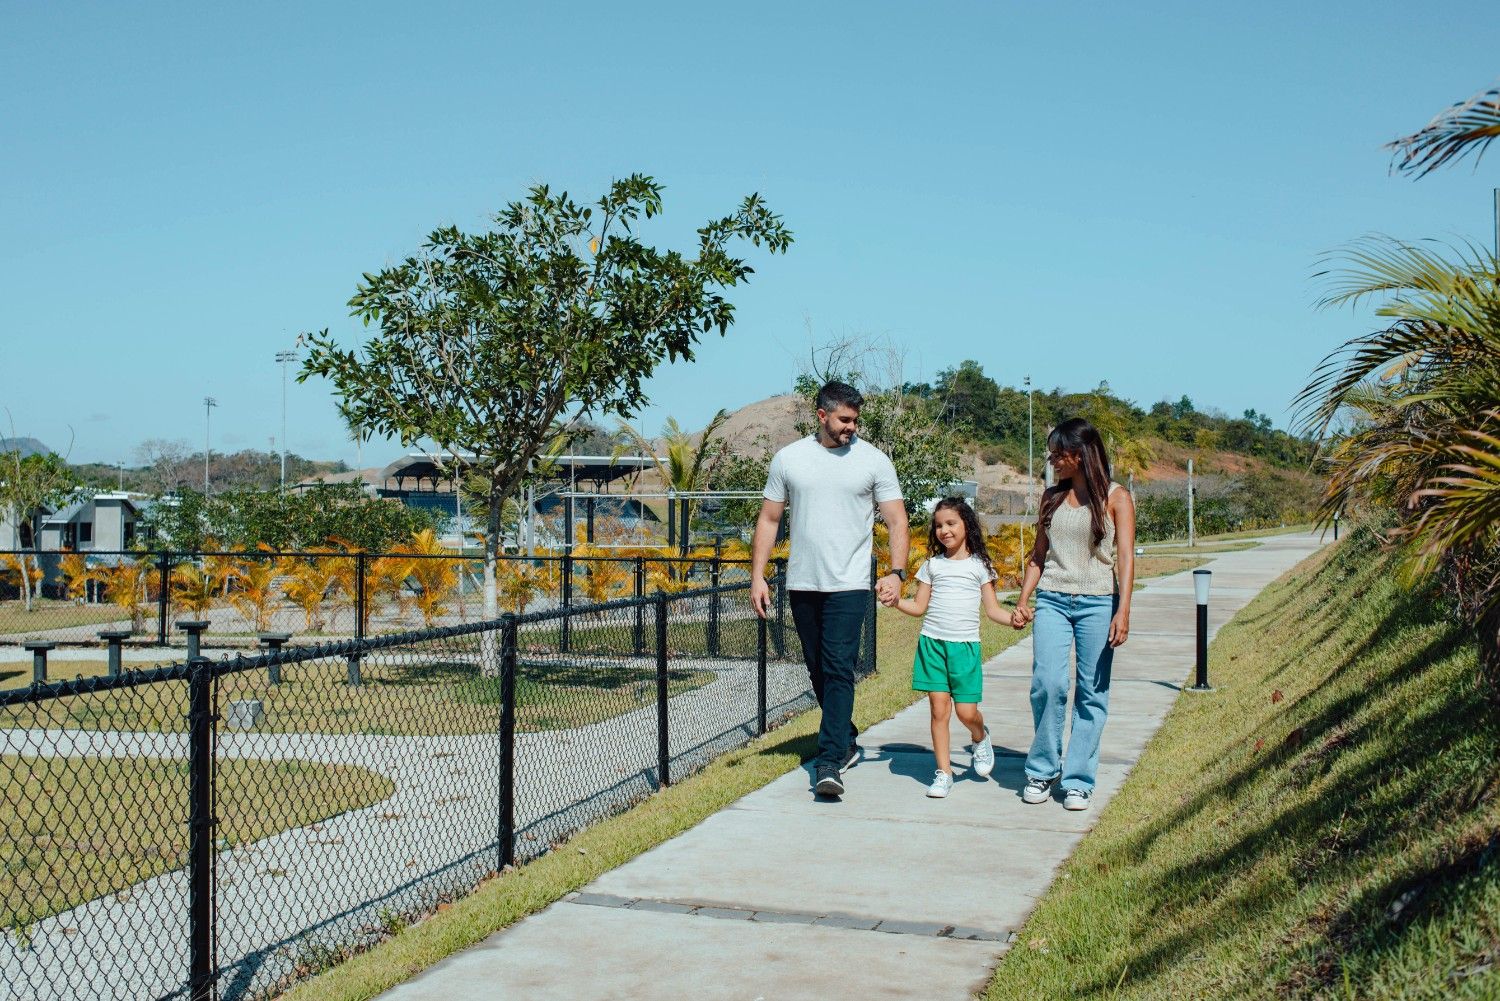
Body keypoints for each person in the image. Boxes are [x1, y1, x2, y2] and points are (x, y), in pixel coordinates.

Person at [750, 381, 909, 798]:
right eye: (844, 419)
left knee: (839, 665)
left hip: (850, 583)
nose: (851, 427)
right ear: (821, 415)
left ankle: (829, 761)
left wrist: (896, 572)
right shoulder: (790, 459)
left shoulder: (874, 460)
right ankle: (847, 736)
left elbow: (897, 520)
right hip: (803, 582)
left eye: (855, 420)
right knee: (818, 667)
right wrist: (758, 575)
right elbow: (769, 519)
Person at [1013, 417, 1136, 812]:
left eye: (1057, 454)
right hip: (1052, 598)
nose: (1052, 461)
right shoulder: (1050, 498)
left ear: (1079, 455)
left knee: (1091, 693)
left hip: (1099, 602)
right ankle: (1043, 769)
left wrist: (1124, 610)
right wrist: (1023, 599)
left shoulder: (1117, 498)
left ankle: (1079, 779)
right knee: (1047, 683)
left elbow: (1126, 559)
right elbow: (1038, 556)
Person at [891, 497, 1020, 798]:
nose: (944, 530)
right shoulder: (932, 566)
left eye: (951, 523)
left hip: (965, 649)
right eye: (938, 525)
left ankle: (980, 735)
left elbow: (993, 611)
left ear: (966, 525)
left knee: (966, 712)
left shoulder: (980, 566)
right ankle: (943, 772)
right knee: (938, 710)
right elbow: (919, 607)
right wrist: (896, 601)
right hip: (932, 645)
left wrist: (1013, 619)